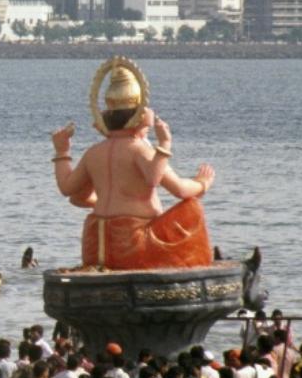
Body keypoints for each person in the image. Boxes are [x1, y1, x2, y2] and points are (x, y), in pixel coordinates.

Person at [52, 59, 216, 269]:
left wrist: (62, 151)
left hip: (95, 244)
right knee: (193, 207)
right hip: (134, 245)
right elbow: (176, 188)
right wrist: (202, 182)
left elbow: (70, 191)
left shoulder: (93, 153)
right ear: (139, 118)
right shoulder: (140, 150)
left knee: (83, 194)